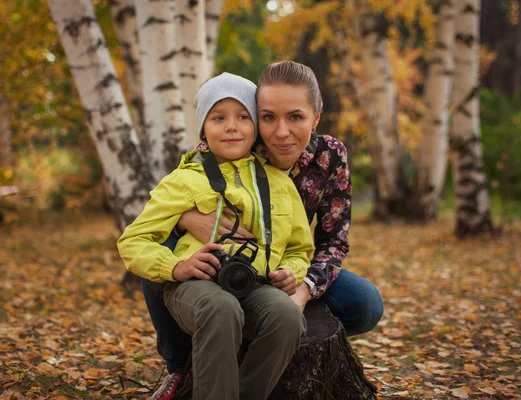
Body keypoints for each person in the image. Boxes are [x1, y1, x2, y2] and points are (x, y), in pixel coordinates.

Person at [144, 61, 385, 400]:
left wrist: (303, 286)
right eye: (269, 117)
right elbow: (185, 180)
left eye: (296, 117)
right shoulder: (239, 142)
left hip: (286, 263)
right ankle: (178, 365)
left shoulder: (330, 156)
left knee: (365, 302)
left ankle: (263, 322)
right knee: (159, 256)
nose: (282, 132)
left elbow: (333, 240)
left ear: (316, 117)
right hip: (220, 255)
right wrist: (188, 218)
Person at [118, 72, 315, 400]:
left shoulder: (279, 183)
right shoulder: (183, 180)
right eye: (218, 117)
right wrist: (177, 267)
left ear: (255, 127)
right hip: (195, 288)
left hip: (256, 285)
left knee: (287, 316)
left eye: (242, 117)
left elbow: (299, 249)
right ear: (203, 130)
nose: (231, 126)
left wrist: (290, 272)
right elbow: (132, 241)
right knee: (221, 308)